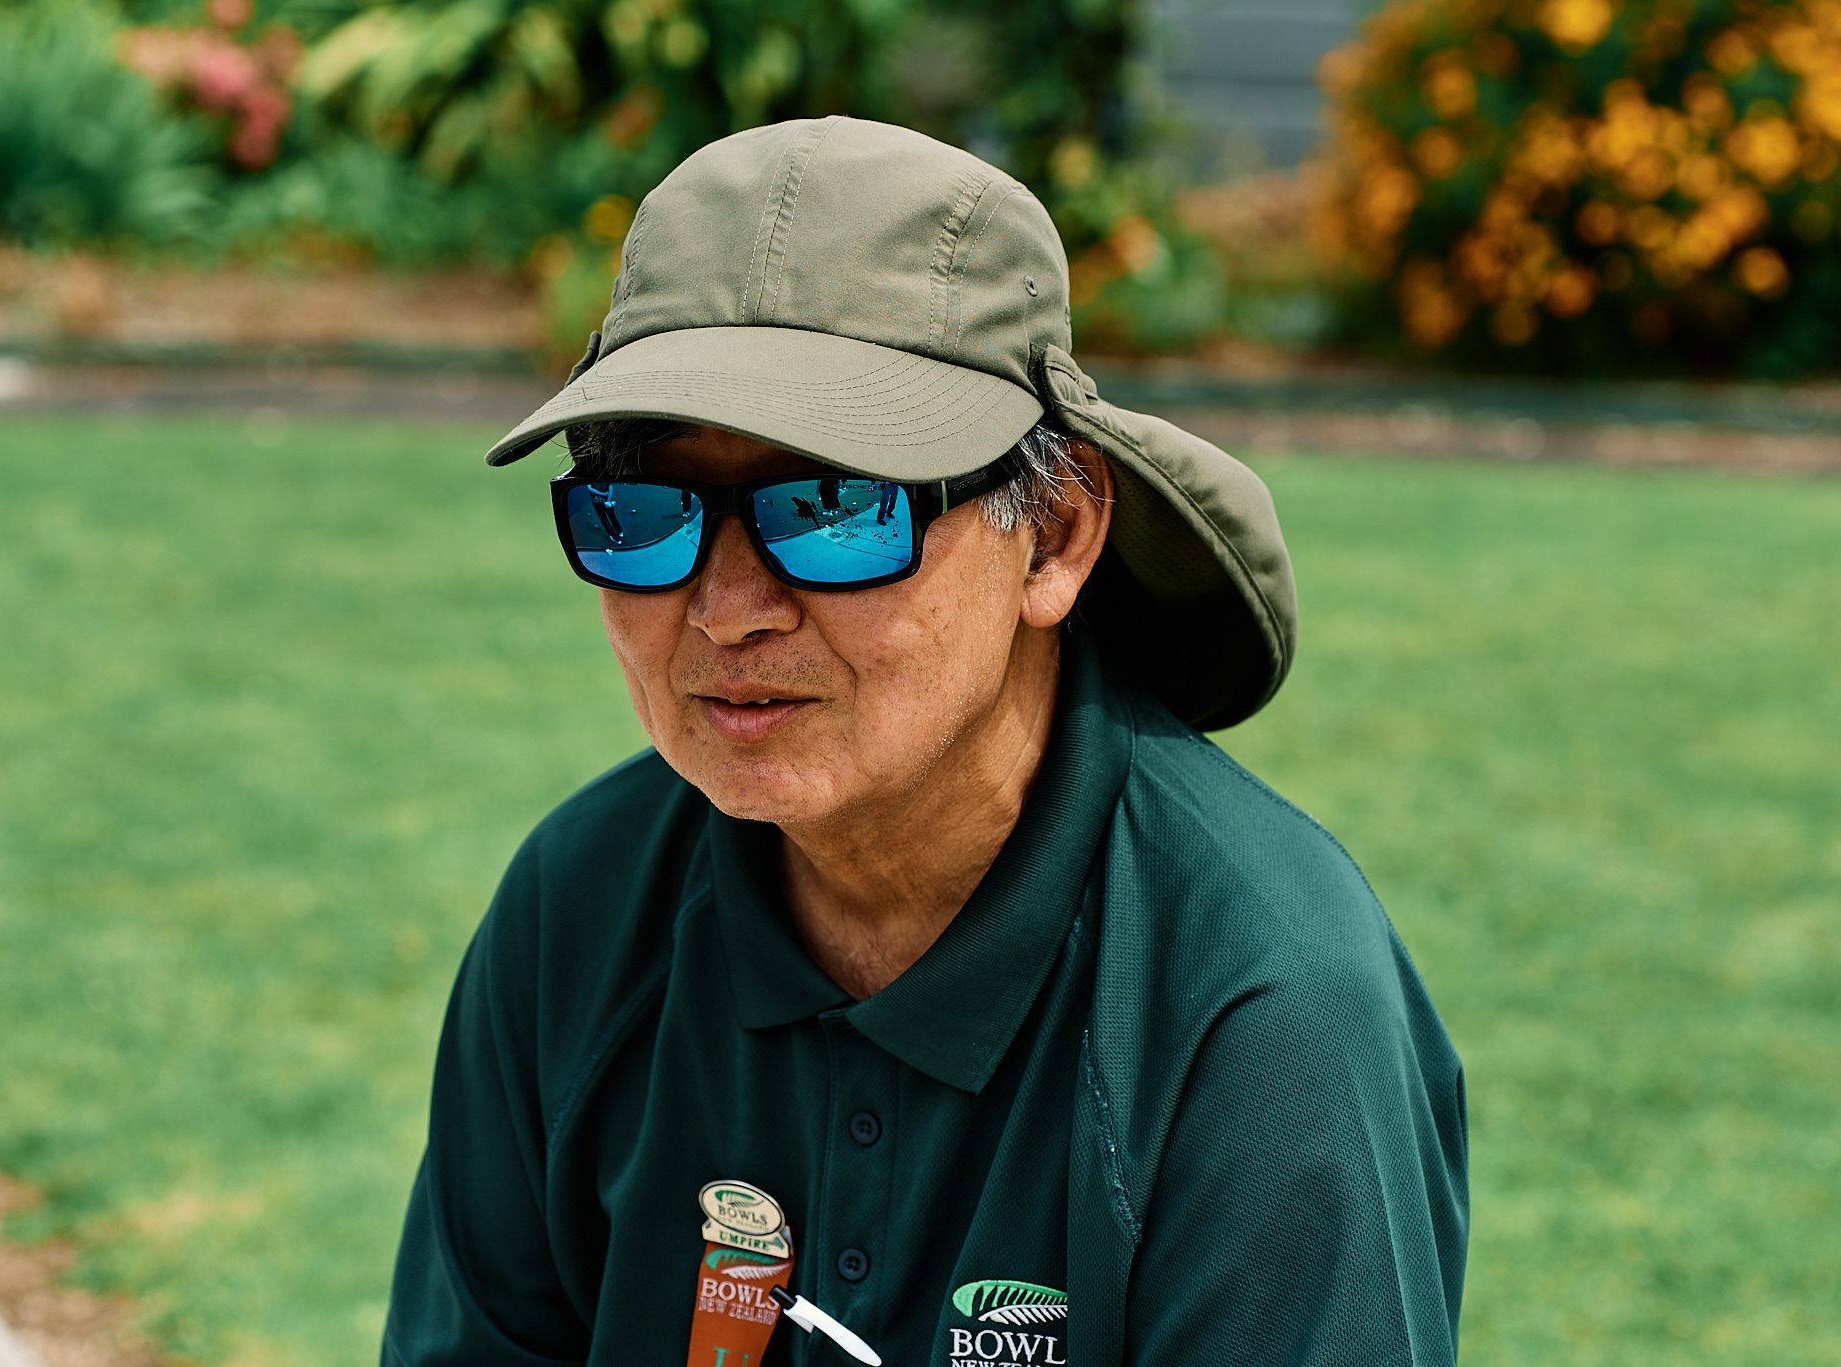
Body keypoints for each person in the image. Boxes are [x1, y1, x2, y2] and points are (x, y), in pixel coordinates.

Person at [383, 118, 1467, 1367]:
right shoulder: (575, 912)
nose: (728, 609)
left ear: (1053, 535)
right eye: (642, 512)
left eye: (834, 510)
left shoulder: (1261, 1007)